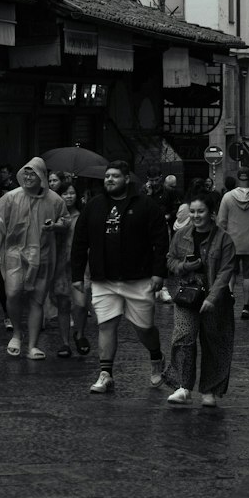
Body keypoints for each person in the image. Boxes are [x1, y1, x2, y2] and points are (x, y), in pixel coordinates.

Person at [70, 160, 169, 394]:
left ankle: (156, 357)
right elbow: (79, 242)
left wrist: (158, 272)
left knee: (144, 329)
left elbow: (160, 240)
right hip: (103, 278)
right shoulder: (94, 206)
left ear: (127, 179)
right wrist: (77, 275)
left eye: (115, 176)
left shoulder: (145, 205)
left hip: (139, 278)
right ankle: (106, 374)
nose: (109, 180)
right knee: (106, 325)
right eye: (107, 176)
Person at [164, 190, 235, 408]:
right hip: (186, 293)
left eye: (200, 211)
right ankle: (183, 387)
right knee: (183, 336)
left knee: (214, 341)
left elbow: (226, 271)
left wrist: (212, 298)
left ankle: (210, 390)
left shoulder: (224, 239)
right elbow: (170, 261)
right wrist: (185, 266)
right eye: (192, 211)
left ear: (210, 212)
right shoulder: (181, 235)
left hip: (214, 296)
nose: (196, 216)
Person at [0, 157, 65, 361]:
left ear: (42, 177)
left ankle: (32, 345)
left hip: (44, 255)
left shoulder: (55, 200)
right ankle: (16, 333)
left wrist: (55, 226)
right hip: (14, 254)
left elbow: (64, 220)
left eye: (34, 174)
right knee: (12, 293)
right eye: (27, 173)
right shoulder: (11, 198)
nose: (29, 177)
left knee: (37, 300)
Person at [216, 168, 249, 319]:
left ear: (238, 179)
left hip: (232, 242)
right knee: (248, 276)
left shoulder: (227, 197)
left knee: (232, 272)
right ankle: (246, 307)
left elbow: (221, 221)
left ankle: (230, 294)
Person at [51, 182, 89, 358]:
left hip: (79, 266)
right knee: (63, 304)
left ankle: (79, 334)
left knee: (80, 304)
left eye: (72, 193)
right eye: (65, 193)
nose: (68, 196)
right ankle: (65, 342)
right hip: (58, 265)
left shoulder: (82, 216)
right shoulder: (54, 218)